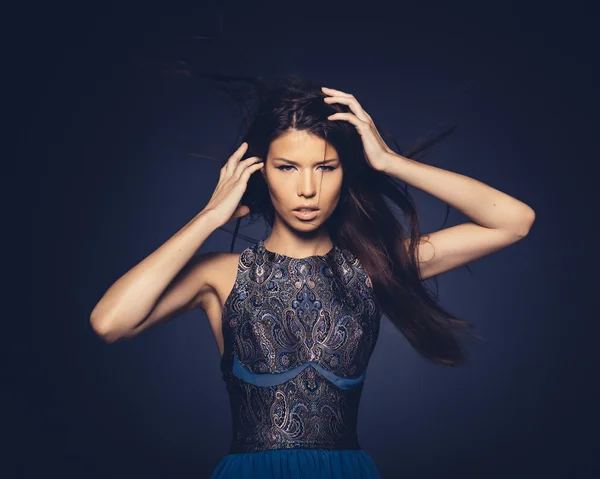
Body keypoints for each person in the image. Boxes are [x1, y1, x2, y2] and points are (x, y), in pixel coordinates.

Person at [89, 75, 535, 478]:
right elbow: (110, 322)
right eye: (287, 168)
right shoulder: (219, 276)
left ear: (346, 171)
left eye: (325, 167)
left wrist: (389, 162)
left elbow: (513, 221)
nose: (307, 189)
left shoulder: (374, 267)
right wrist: (208, 217)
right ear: (261, 172)